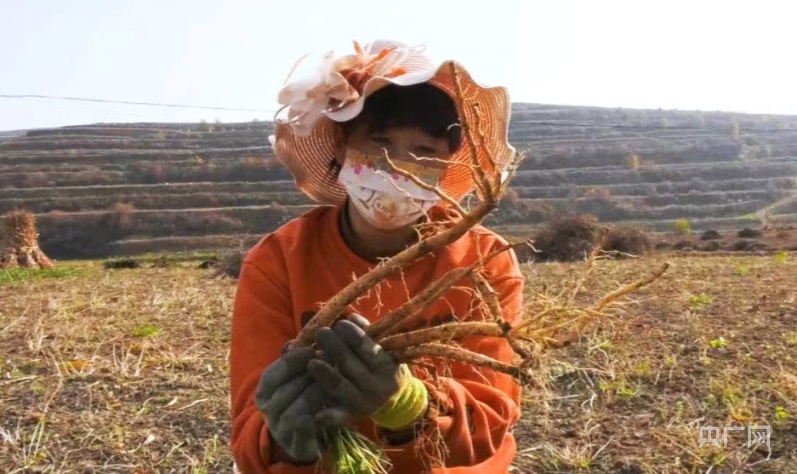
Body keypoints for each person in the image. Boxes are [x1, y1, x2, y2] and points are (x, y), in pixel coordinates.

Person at [230, 39, 524, 473]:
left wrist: (407, 406)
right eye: (379, 143)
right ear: (342, 147)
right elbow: (251, 436)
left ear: (446, 164)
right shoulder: (279, 262)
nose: (399, 169)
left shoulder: (484, 259)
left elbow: (491, 420)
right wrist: (285, 438)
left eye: (424, 152)